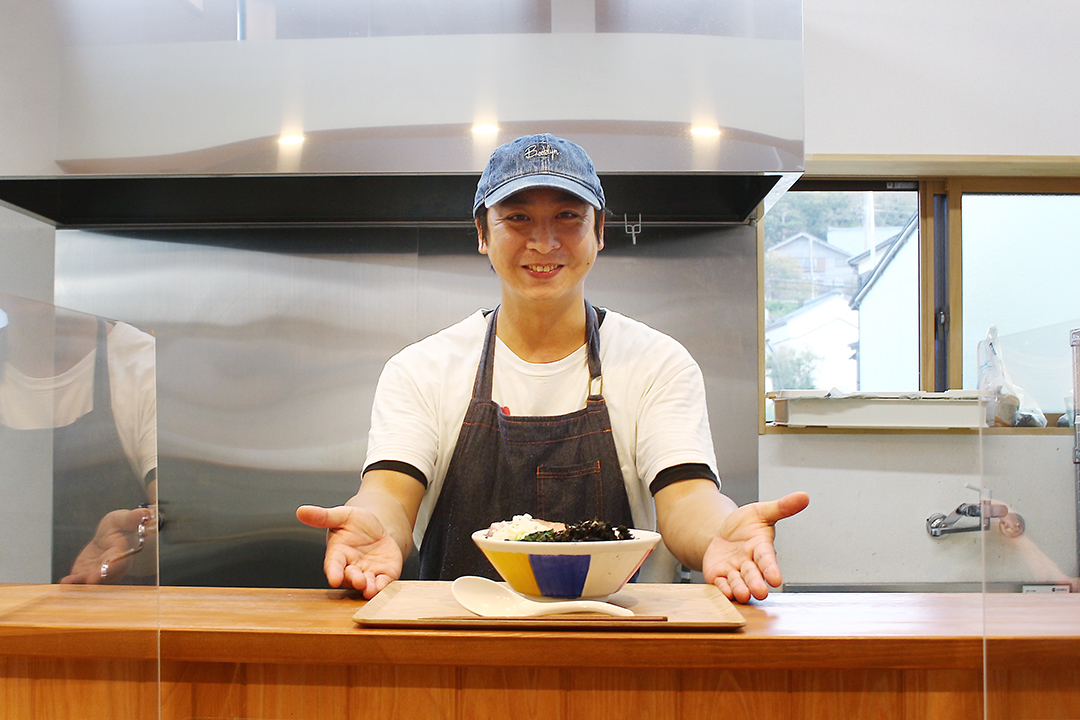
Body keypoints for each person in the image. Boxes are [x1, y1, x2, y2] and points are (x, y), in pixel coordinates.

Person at [297, 133, 808, 603]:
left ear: (599, 230)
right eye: (516, 218)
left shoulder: (657, 362)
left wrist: (719, 530)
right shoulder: (422, 369)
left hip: (620, 649)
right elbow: (389, 493)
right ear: (482, 233)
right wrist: (375, 525)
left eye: (568, 216)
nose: (544, 242)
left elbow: (687, 500)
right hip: (455, 647)